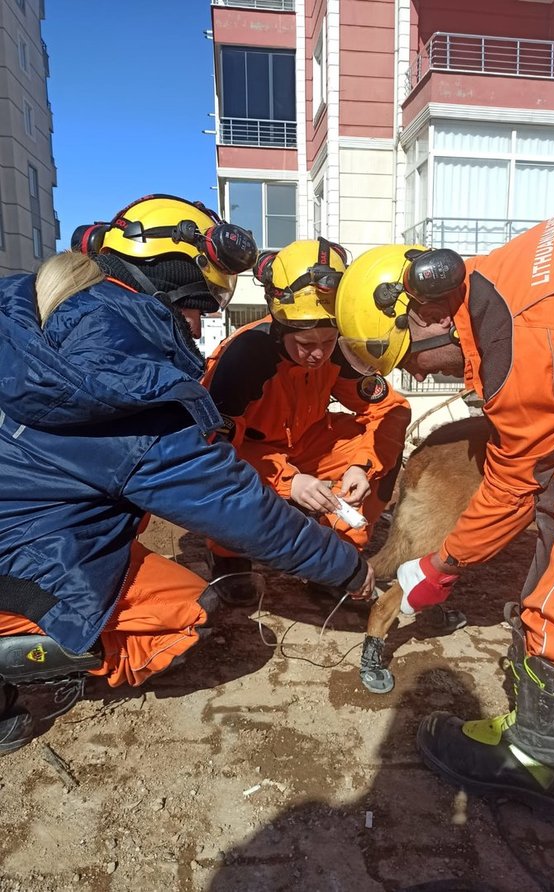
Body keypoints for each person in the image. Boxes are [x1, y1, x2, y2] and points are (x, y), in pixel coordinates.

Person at [335, 194, 554, 833]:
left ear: (428, 314)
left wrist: (441, 563)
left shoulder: (523, 339)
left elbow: (516, 483)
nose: (418, 376)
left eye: (410, 360)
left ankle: (547, 757)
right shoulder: (502, 279)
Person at [0, 195, 375, 755]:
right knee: (188, 613)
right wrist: (347, 568)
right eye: (201, 310)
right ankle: (18, 648)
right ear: (177, 288)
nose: (199, 328)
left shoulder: (43, 323)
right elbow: (231, 500)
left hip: (32, 526)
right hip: (21, 550)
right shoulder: (118, 376)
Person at [202, 238, 411, 604]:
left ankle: (340, 552)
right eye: (305, 342)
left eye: (329, 340)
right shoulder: (244, 360)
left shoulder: (340, 353)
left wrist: (362, 466)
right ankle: (227, 554)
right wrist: (289, 482)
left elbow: (391, 410)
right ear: (281, 329)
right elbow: (212, 451)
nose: (317, 354)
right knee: (224, 479)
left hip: (306, 440)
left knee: (374, 445)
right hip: (249, 450)